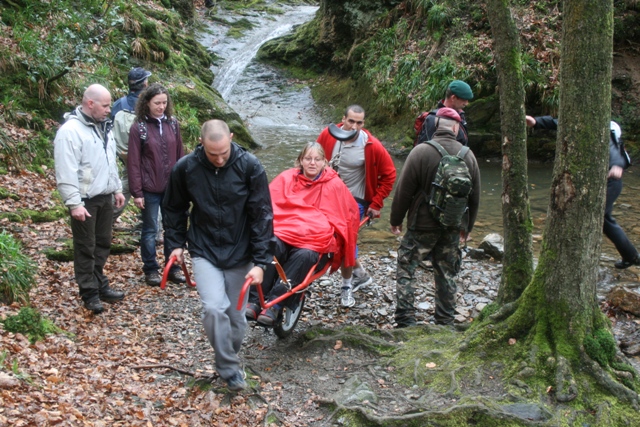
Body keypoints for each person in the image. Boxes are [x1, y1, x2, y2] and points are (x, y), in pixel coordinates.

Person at [163, 119, 274, 391]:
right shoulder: (186, 168)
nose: (220, 159)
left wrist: (261, 262)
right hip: (204, 249)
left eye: (224, 152)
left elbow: (262, 215)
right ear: (201, 143)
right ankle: (229, 369)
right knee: (214, 308)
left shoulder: (250, 166)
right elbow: (174, 208)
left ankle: (229, 358)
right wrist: (175, 244)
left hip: (241, 250)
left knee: (236, 318)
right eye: (213, 154)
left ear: (232, 138)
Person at [245, 142, 360, 325]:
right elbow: (269, 206)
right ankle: (255, 300)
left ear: (324, 162)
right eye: (308, 159)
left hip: (313, 241)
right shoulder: (286, 178)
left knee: (305, 256)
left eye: (317, 159)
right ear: (300, 161)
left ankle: (275, 305)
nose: (312, 163)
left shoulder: (334, 185)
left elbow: (347, 216)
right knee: (271, 245)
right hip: (285, 230)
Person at [390, 108, 481, 327]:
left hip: (421, 224)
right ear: (457, 128)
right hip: (452, 225)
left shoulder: (420, 152)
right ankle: (445, 320)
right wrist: (467, 228)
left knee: (407, 267)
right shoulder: (468, 155)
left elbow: (403, 191)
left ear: (435, 126)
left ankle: (405, 320)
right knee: (447, 271)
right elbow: (475, 196)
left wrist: (396, 219)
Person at [526, 115, 640, 268]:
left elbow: (615, 151)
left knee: (594, 216)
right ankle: (630, 256)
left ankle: (627, 256)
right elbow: (562, 122)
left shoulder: (607, 130)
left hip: (611, 181)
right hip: (600, 181)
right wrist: (536, 122)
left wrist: (616, 165)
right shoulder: (587, 123)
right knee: (603, 220)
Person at [53, 84, 126, 314]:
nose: (109, 110)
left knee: (103, 243)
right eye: (105, 106)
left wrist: (116, 188)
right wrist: (74, 203)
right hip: (85, 199)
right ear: (90, 103)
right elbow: (66, 170)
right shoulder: (70, 131)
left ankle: (99, 283)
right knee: (86, 247)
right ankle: (89, 293)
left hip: (104, 196)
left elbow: (109, 161)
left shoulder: (104, 127)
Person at [317, 105, 396, 306]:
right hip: (327, 196)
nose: (354, 126)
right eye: (351, 121)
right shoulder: (327, 135)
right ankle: (360, 273)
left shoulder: (371, 145)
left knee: (344, 239)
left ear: (364, 123)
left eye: (359, 122)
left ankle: (346, 285)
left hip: (355, 201)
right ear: (343, 119)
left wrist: (377, 203)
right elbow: (313, 161)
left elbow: (389, 175)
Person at [127, 83, 186, 286]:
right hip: (149, 188)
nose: (161, 107)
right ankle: (151, 268)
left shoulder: (173, 124)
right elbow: (133, 161)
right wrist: (137, 192)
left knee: (172, 228)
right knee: (151, 230)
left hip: (171, 188)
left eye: (164, 103)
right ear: (147, 103)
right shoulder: (139, 128)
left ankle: (173, 267)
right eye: (157, 103)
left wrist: (183, 184)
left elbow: (180, 156)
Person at [111, 67, 152, 222]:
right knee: (143, 186)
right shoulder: (148, 106)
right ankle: (152, 226)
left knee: (130, 182)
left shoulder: (118, 104)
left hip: (123, 154)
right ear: (145, 83)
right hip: (144, 154)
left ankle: (108, 219)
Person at [415, 80, 474, 146]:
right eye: (464, 99)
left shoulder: (460, 115)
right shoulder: (432, 119)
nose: (466, 103)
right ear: (453, 98)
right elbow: (424, 149)